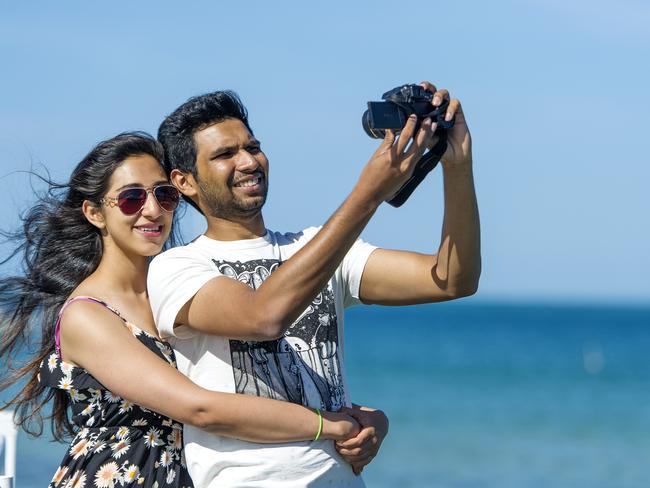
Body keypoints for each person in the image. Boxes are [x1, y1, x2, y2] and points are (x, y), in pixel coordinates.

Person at [0, 131, 402, 488]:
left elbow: (238, 385)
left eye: (164, 194)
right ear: (94, 213)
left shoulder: (180, 292)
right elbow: (201, 406)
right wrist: (330, 426)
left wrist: (371, 419)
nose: (153, 210)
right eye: (131, 198)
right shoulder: (87, 314)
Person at [149, 81, 480, 487]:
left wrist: (457, 164)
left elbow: (451, 279)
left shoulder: (314, 245)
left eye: (252, 147)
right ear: (184, 182)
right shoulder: (176, 267)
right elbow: (263, 317)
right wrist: (368, 194)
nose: (249, 162)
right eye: (225, 154)